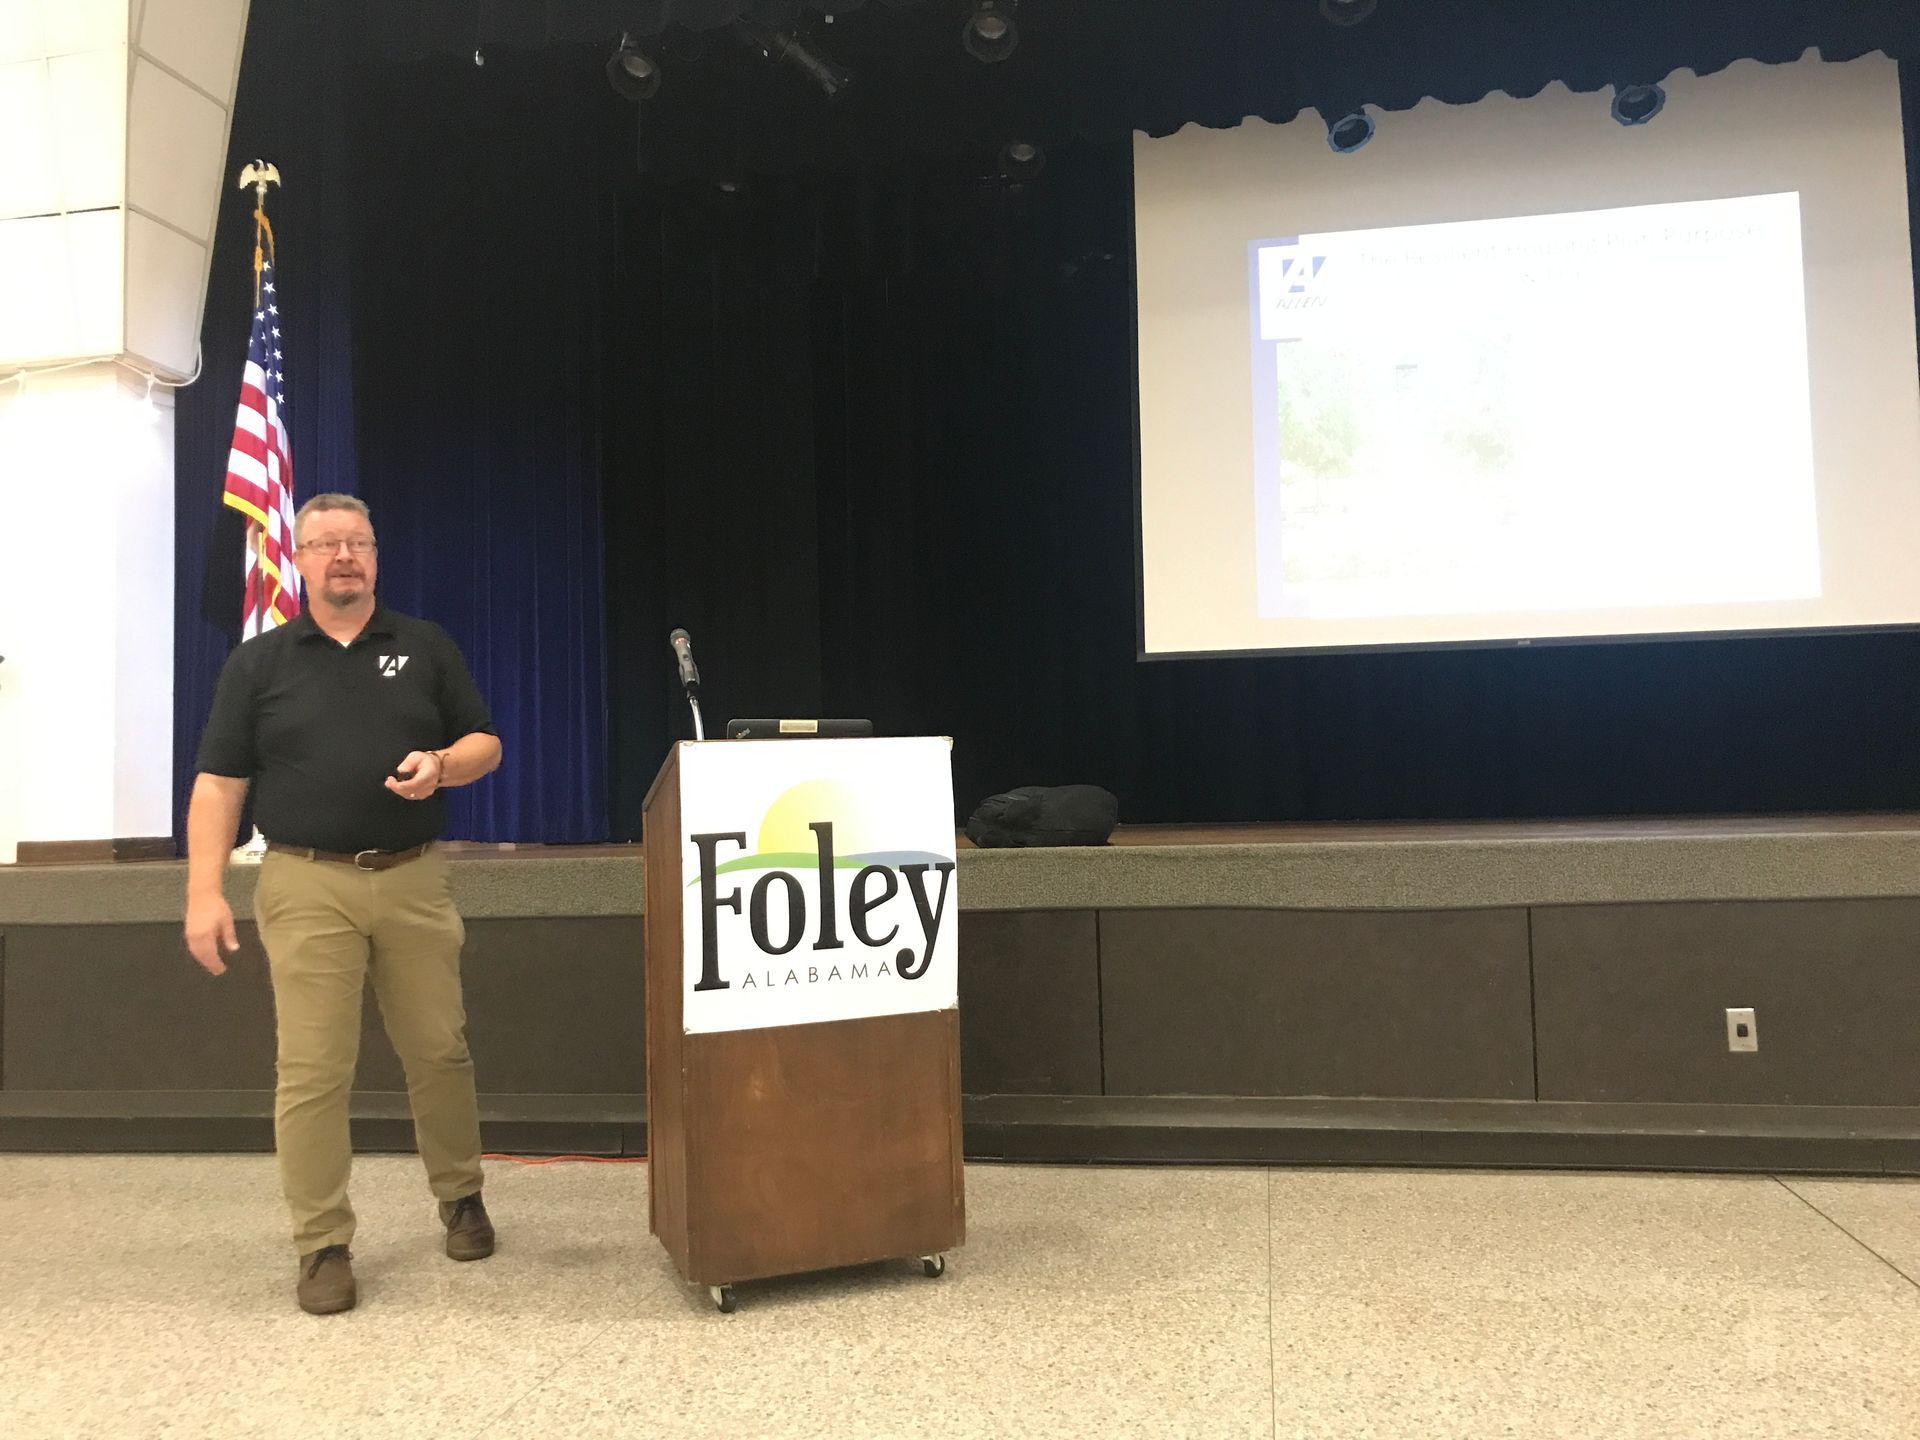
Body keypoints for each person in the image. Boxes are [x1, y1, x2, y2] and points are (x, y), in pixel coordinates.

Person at [183, 492, 504, 1315]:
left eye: (356, 542)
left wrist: (441, 764)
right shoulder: (259, 663)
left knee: (439, 1049)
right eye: (324, 544)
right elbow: (220, 782)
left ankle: (461, 1196)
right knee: (314, 1070)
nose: (342, 557)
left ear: (375, 554)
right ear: (298, 559)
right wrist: (203, 891)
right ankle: (322, 1243)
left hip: (413, 875)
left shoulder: (424, 645)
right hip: (305, 881)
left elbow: (485, 743)